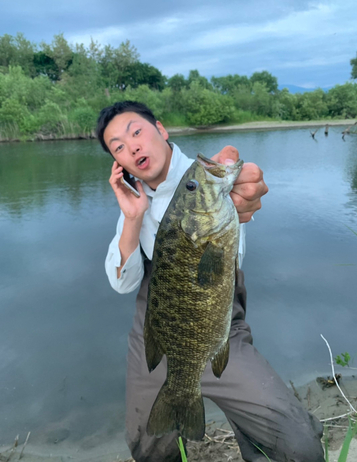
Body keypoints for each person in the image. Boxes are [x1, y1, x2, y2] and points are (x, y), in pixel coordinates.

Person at [96, 101, 325, 462]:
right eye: (118, 146)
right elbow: (123, 283)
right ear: (117, 162)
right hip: (156, 328)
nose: (133, 147)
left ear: (161, 128)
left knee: (299, 445)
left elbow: (237, 214)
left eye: (136, 132)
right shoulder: (133, 200)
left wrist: (240, 199)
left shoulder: (206, 180)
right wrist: (132, 219)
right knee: (150, 448)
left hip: (215, 325)